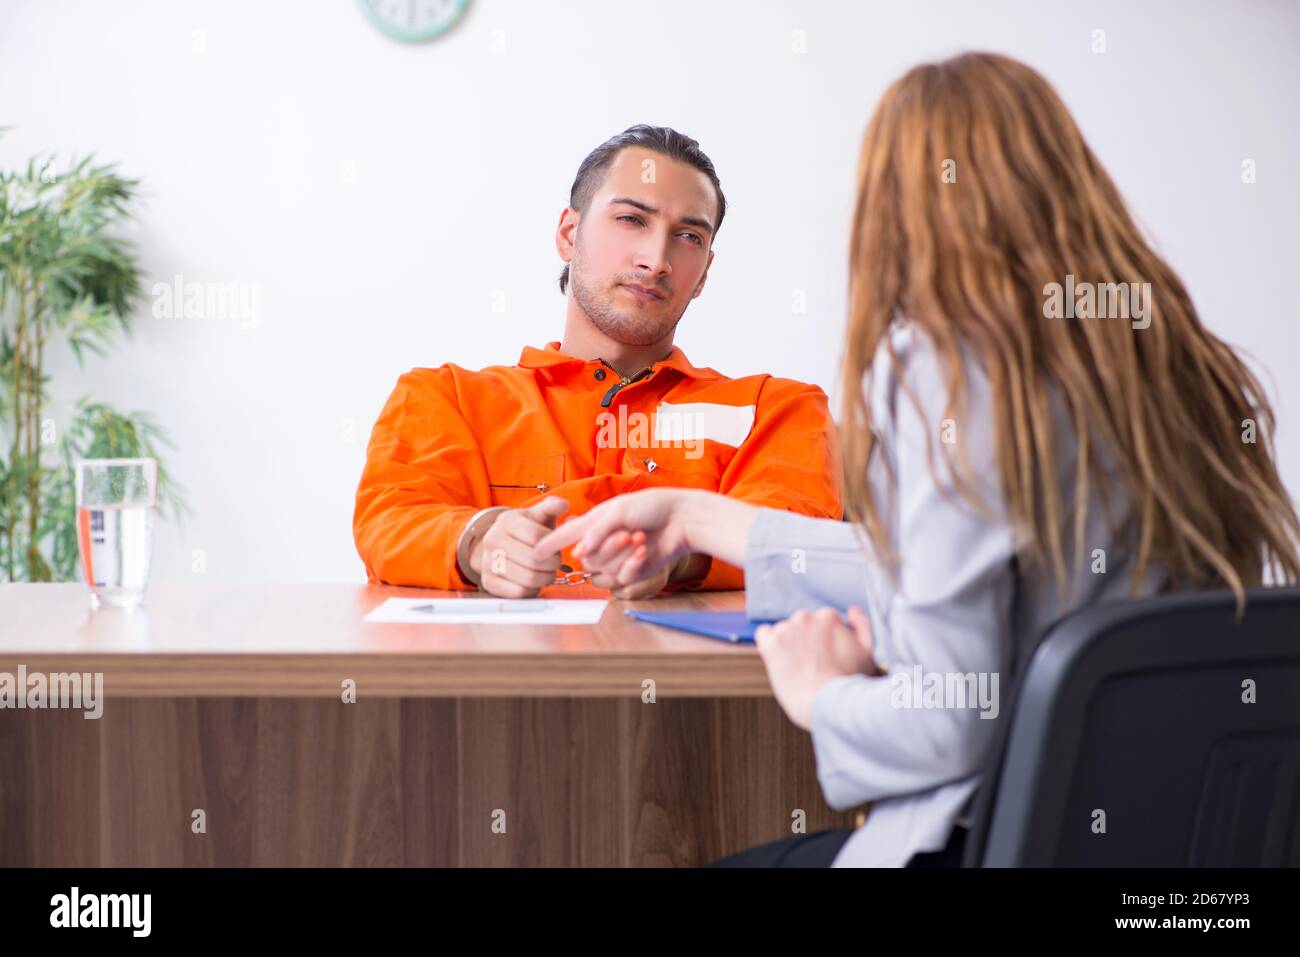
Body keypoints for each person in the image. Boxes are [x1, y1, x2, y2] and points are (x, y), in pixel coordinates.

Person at [533, 53, 1300, 866]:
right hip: (1173, 842)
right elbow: (983, 574)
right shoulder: (1175, 359)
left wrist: (824, 694)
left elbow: (948, 721)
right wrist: (696, 515)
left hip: (1002, 838)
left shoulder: (943, 363)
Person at [353, 125, 842, 599]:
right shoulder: (446, 398)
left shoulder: (778, 411)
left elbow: (797, 543)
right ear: (569, 234)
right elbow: (391, 518)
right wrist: (480, 541)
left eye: (689, 236)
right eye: (631, 219)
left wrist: (679, 554)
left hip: (694, 682)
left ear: (704, 274)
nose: (656, 259)